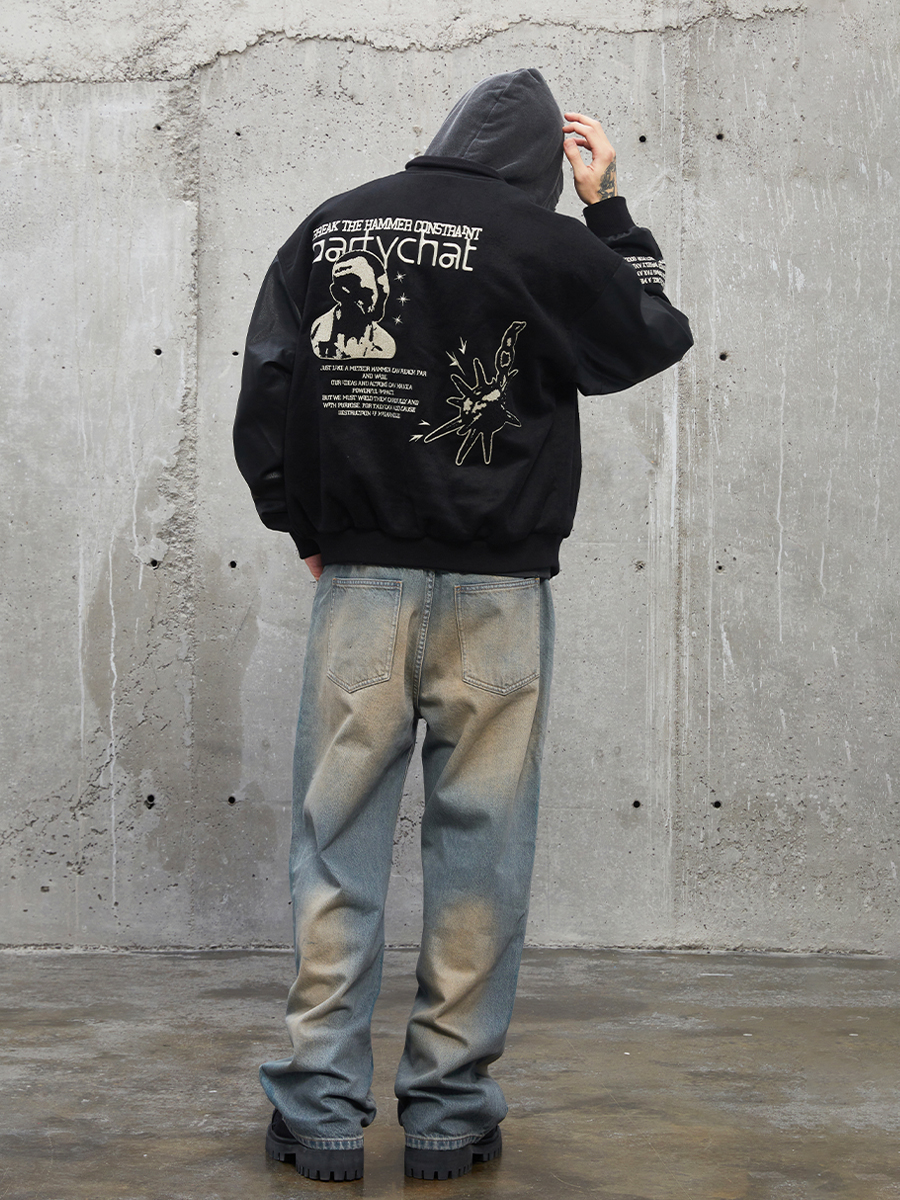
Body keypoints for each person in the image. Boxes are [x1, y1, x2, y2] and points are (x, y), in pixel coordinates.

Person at [233, 67, 693, 1183]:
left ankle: (320, 1113)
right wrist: (610, 212)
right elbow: (649, 335)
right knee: (480, 853)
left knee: (334, 846)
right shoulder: (544, 240)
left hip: (361, 583)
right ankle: (446, 1116)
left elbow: (268, 382)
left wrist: (303, 523)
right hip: (497, 597)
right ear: (543, 164)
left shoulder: (334, 224)